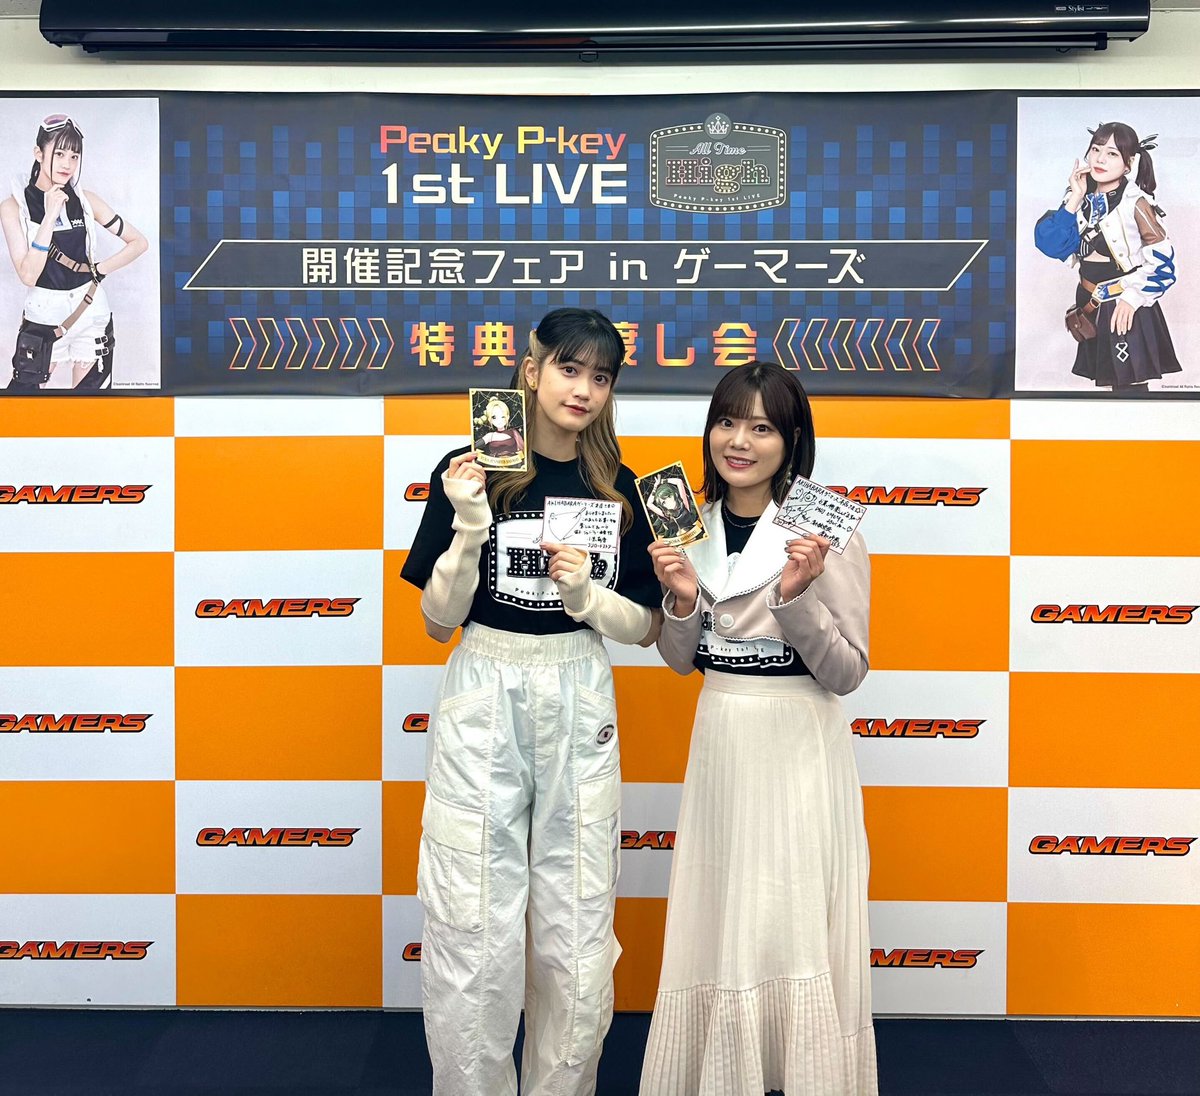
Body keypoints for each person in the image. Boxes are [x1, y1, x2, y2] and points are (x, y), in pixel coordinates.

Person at [400, 307, 663, 1096]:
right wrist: (469, 526)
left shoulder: (618, 488)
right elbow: (438, 620)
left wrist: (586, 596)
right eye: (569, 369)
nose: (583, 389)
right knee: (471, 919)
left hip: (578, 684)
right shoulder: (470, 470)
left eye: (600, 376)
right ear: (531, 369)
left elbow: (646, 626)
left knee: (577, 924)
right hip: (486, 681)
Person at [639, 361, 877, 1096]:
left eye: (762, 427)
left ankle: (804, 1072)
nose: (739, 441)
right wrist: (682, 602)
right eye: (727, 422)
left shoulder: (822, 532)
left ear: (791, 440)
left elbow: (847, 672)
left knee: (792, 913)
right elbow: (681, 660)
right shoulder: (686, 524)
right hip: (722, 734)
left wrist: (797, 598)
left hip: (798, 739)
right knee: (721, 914)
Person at [2, 113, 147, 393]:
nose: (67, 164)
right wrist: (49, 215)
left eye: (74, 156)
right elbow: (28, 275)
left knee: (89, 410)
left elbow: (138, 242)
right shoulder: (14, 207)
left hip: (90, 313)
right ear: (39, 154)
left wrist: (99, 270)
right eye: (59, 154)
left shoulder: (86, 201)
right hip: (43, 317)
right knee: (22, 405)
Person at [1034, 121, 1181, 391]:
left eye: (1112, 153)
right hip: (1088, 301)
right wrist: (1075, 197)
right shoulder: (1079, 199)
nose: (1100, 159)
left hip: (1125, 303)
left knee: (1130, 388)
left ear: (1128, 163)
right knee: (1105, 387)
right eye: (1096, 149)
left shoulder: (1136, 202)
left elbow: (1164, 266)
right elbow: (1051, 245)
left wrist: (1132, 299)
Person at [477, 395, 525, 462]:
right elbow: (476, 446)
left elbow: (523, 450)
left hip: (514, 463)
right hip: (494, 464)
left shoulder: (513, 433)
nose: (499, 420)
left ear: (508, 417)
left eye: (503, 417)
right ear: (489, 419)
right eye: (494, 417)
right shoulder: (490, 436)